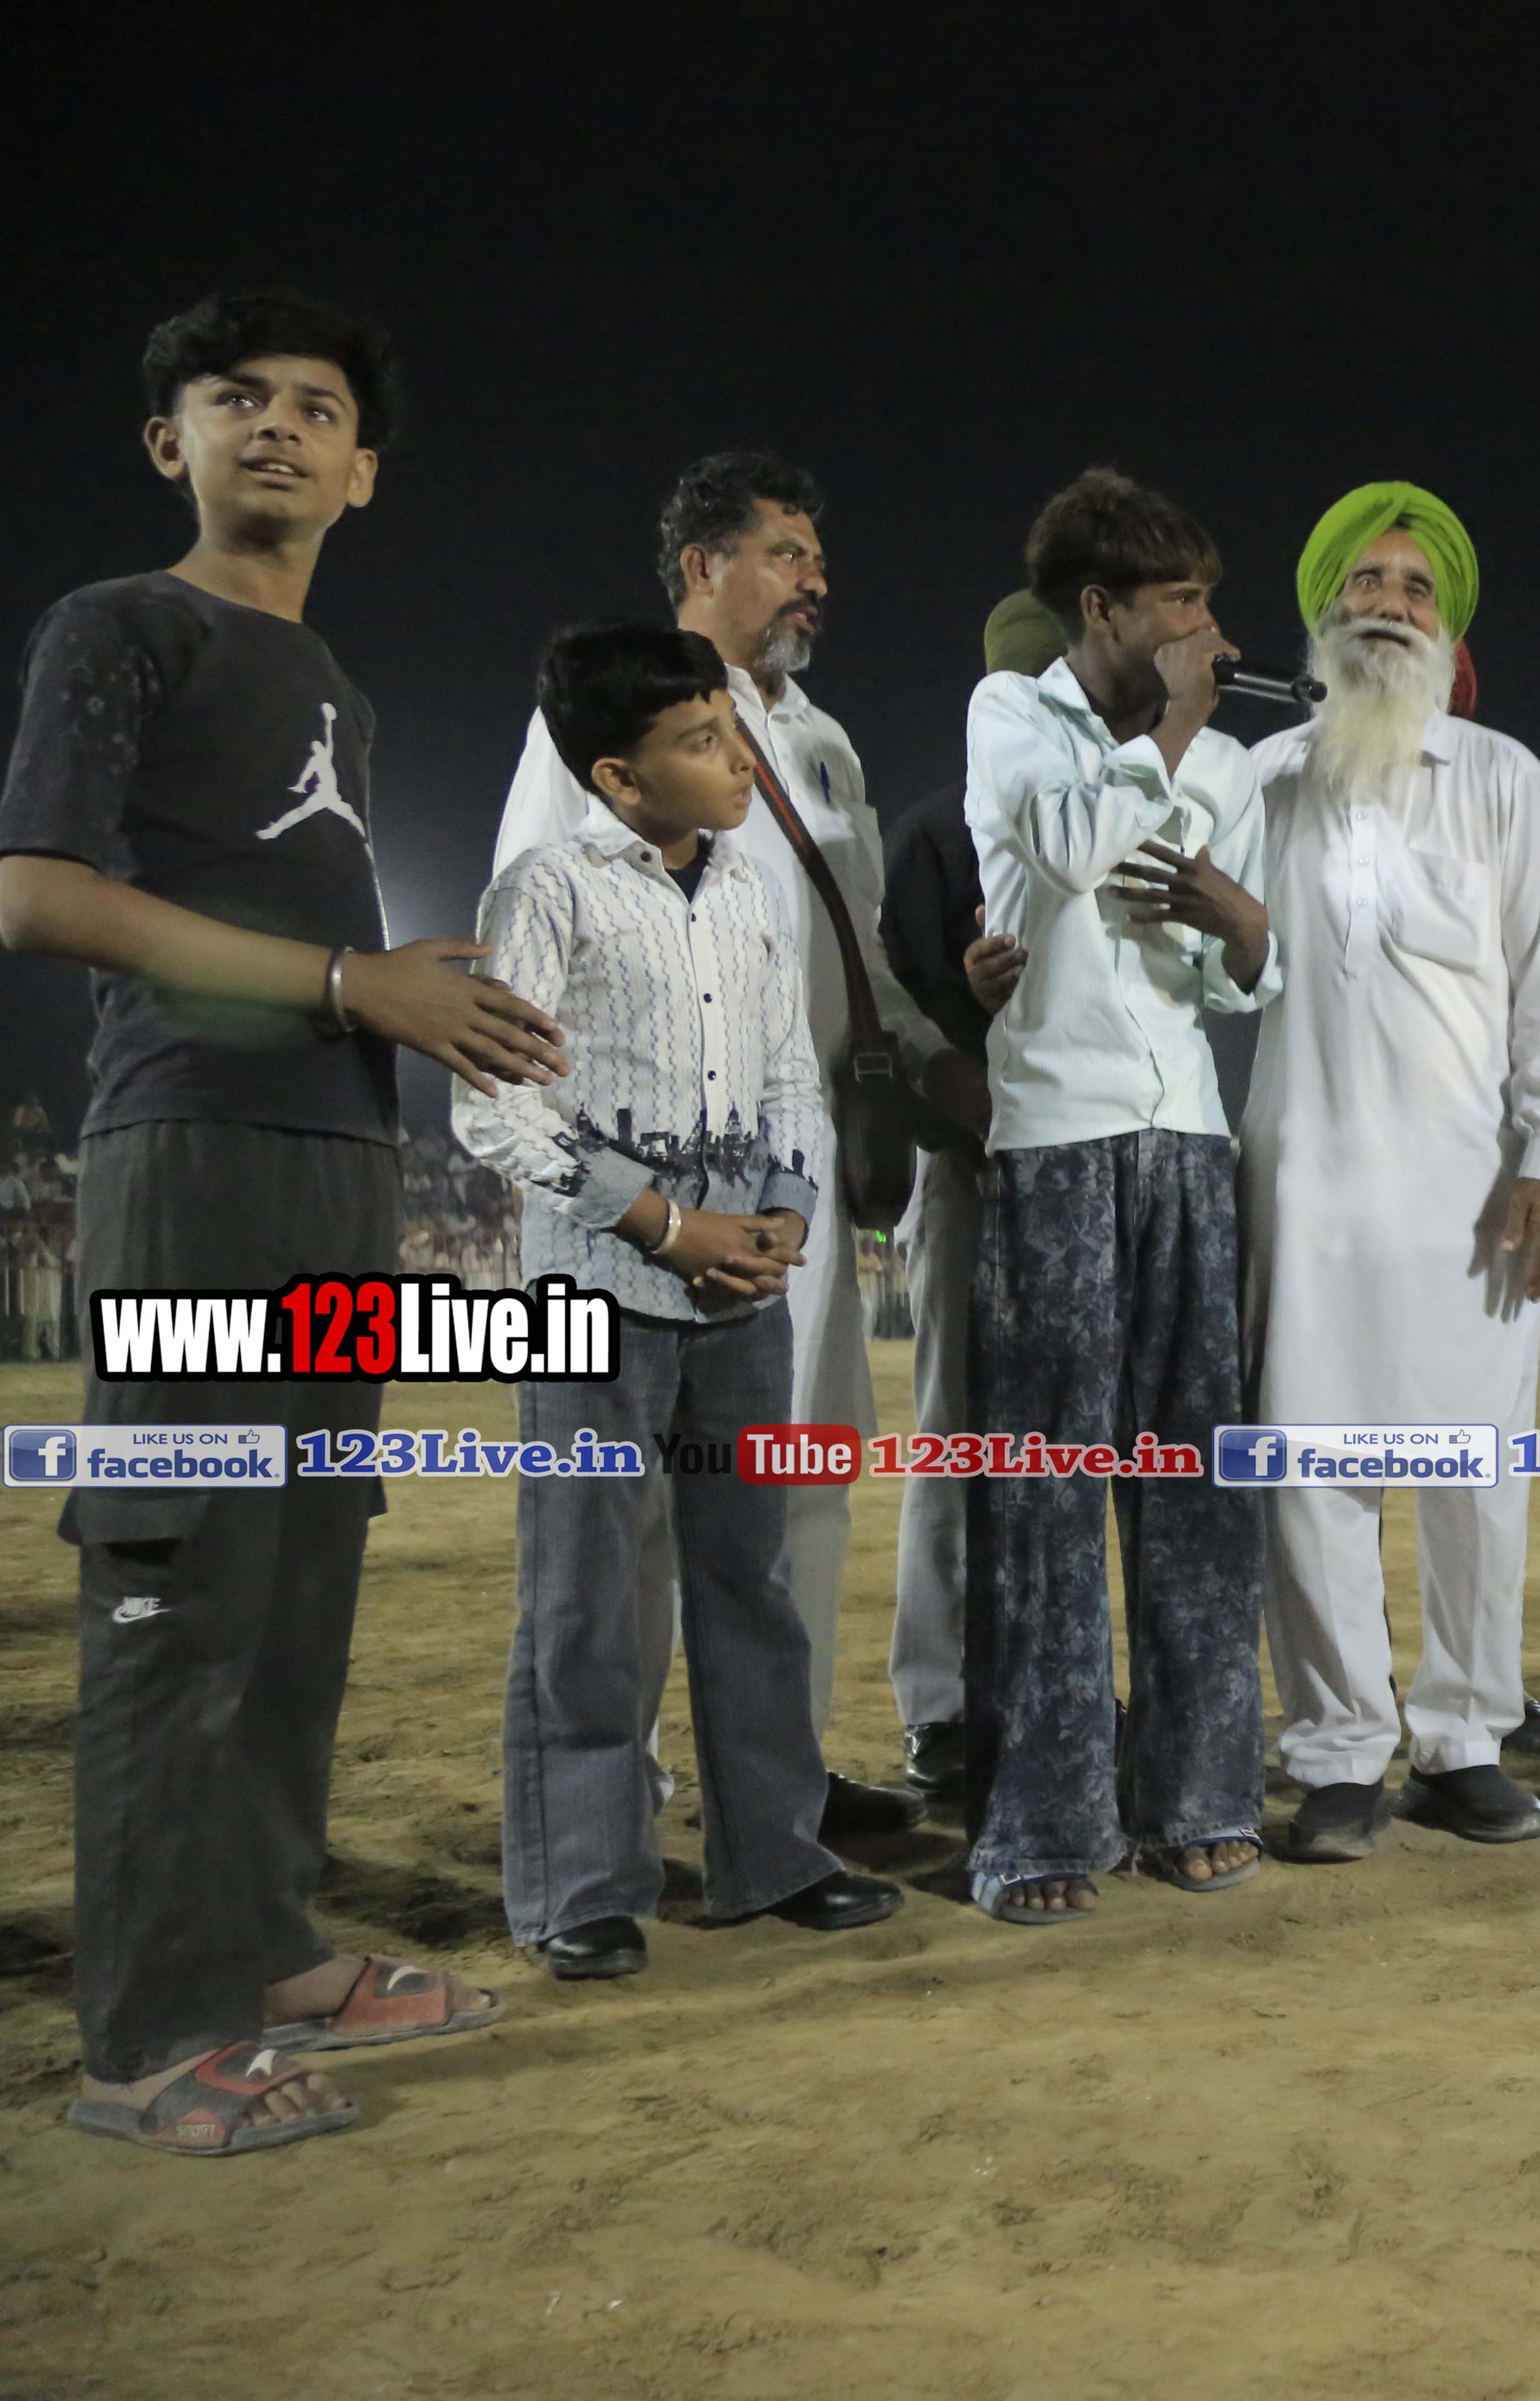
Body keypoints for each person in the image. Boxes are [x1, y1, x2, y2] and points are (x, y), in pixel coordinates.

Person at [3, 293, 553, 2154]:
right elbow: (37, 896)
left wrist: (397, 1000)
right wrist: (344, 980)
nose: (281, 426)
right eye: (237, 399)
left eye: (319, 407)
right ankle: (152, 2039)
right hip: (192, 1147)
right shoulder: (120, 625)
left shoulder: (336, 687)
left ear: (363, 471)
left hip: (336, 1155)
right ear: (172, 442)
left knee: (305, 1565)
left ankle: (269, 1950)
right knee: (179, 1575)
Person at [488, 450, 942, 1840]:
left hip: (791, 1180)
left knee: (801, 1473)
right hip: (640, 1196)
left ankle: (777, 1784)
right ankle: (611, 1798)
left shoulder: (826, 741)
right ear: (701, 565)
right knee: (627, 1514)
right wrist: (627, 1200)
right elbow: (533, 971)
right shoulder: (604, 718)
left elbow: (859, 957)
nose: (816, 579)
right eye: (787, 553)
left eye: (816, 556)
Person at [457, 622, 900, 1973]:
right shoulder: (547, 892)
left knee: (749, 1582)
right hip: (594, 1298)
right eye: (702, 742)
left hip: (738, 1302)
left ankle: (772, 1856)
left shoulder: (751, 894)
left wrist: (786, 1218)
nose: (739, 762)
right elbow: (495, 1107)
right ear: (618, 775)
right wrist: (667, 1224)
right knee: (586, 1595)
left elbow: (789, 1078)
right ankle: (583, 1888)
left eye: (734, 731)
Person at [1246, 481, 1540, 1861]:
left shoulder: (1502, 778)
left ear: (1448, 628)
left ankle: (1463, 1741)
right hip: (1304, 1192)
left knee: (1472, 1481)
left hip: (1472, 1199)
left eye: (1415, 589)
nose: (1388, 607)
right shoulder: (1262, 782)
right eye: (1366, 583)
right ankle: (1339, 1752)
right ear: (1323, 611)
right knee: (1310, 1475)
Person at [962, 470, 1279, 1923]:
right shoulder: (1013, 716)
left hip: (1186, 1130)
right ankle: (1040, 1828)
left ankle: (1201, 1797)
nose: (1206, 628)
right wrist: (1175, 732)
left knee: (1199, 1488)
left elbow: (1235, 980)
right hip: (1058, 1135)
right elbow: (1069, 846)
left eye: (1208, 600)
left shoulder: (1222, 767)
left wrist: (1240, 927)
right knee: (1046, 1493)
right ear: (1101, 609)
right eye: (1179, 603)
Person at [873, 591, 1062, 1802]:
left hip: (1087, 1172)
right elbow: (897, 1018)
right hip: (970, 1169)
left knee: (1067, 1446)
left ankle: (1050, 1681)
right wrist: (973, 1049)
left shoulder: (1117, 814)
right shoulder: (938, 832)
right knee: (955, 1438)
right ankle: (940, 1703)